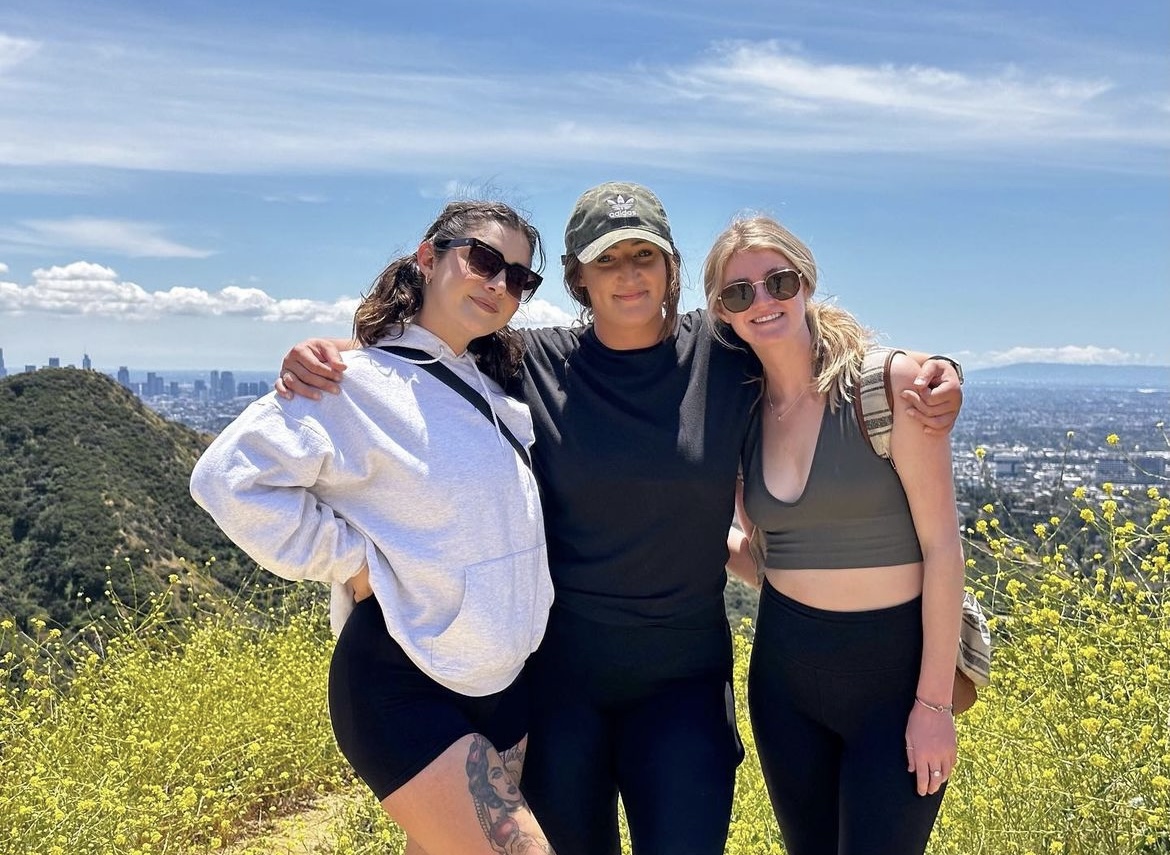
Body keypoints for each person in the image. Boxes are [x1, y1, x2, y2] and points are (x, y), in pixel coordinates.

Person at [276, 182, 964, 855]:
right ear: (577, 277)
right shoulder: (531, 362)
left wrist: (938, 374)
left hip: (685, 686)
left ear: (671, 269)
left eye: (644, 255)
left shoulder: (721, 353)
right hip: (558, 687)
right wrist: (331, 350)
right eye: (606, 258)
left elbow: (806, 346)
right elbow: (425, 354)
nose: (627, 274)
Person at [190, 201, 557, 855]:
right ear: (427, 257)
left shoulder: (498, 388)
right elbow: (228, 478)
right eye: (482, 259)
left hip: (498, 679)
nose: (499, 282)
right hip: (402, 681)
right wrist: (353, 562)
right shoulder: (353, 383)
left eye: (519, 277)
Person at [708, 215, 964, 855]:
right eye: (740, 293)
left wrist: (933, 708)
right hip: (785, 680)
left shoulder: (888, 386)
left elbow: (942, 549)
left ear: (806, 283)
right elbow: (769, 564)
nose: (762, 302)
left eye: (778, 282)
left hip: (894, 679)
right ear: (723, 312)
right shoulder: (740, 411)